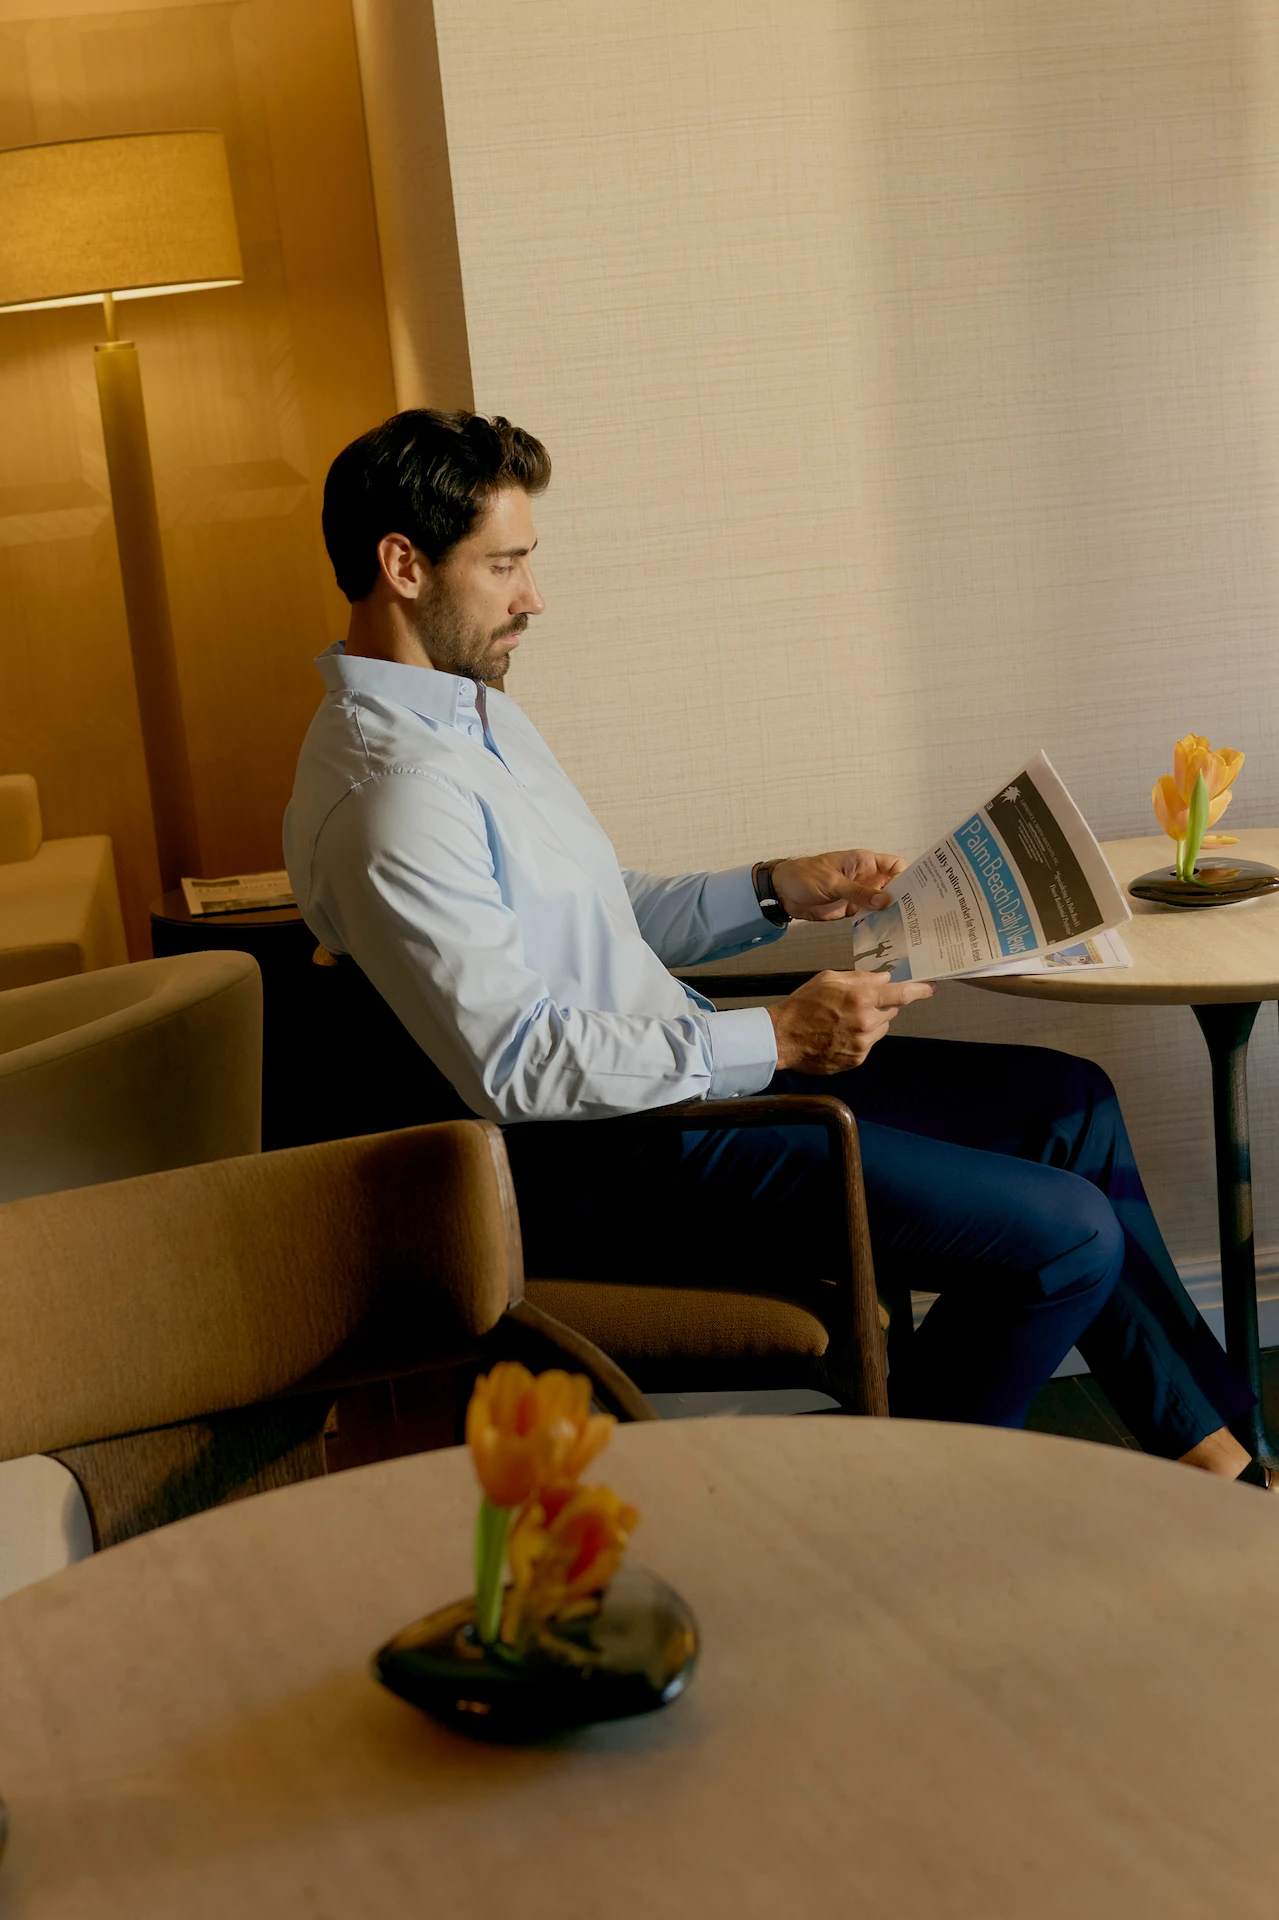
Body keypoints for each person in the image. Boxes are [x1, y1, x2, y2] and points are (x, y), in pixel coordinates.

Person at [284, 408, 1264, 1484]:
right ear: (403, 566)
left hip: (681, 1072)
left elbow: (598, 908)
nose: (533, 597)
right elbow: (520, 1065)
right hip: (608, 1149)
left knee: (1066, 1108)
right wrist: (782, 1034)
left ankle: (1221, 1463)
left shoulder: (470, 716)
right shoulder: (390, 797)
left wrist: (775, 891)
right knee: (1067, 1237)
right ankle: (882, 1506)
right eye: (505, 565)